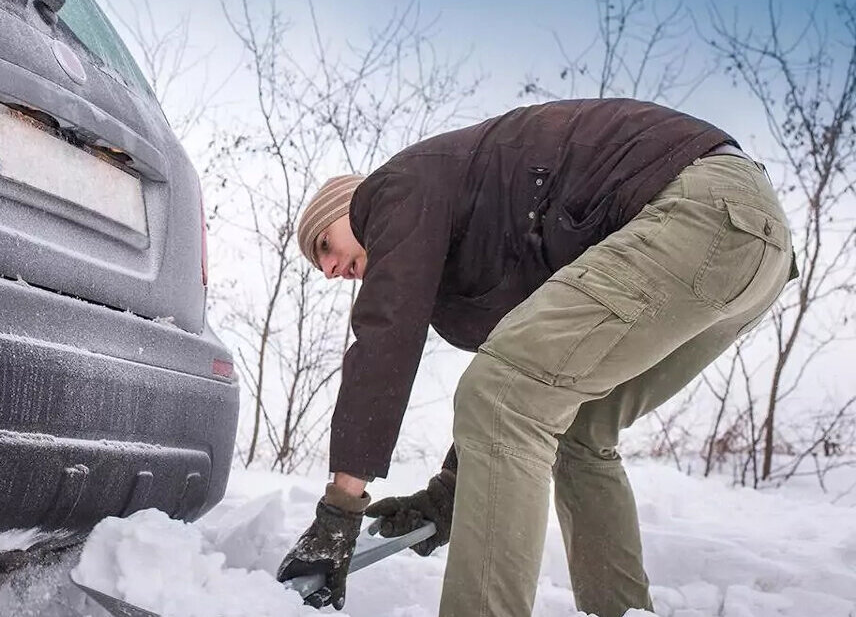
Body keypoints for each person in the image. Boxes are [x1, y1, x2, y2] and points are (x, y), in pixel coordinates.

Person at [274, 98, 795, 617]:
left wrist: (341, 508)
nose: (329, 269)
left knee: (498, 394)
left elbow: (388, 332)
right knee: (580, 430)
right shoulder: (478, 244)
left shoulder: (394, 188)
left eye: (323, 245)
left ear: (351, 206)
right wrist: (448, 492)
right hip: (750, 248)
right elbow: (535, 373)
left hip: (702, 212)